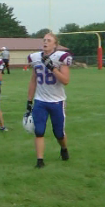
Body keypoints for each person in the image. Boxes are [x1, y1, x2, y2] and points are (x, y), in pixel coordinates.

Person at [26, 33, 72, 168]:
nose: (45, 42)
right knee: (39, 131)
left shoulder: (61, 58)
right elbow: (33, 80)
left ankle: (64, 148)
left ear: (55, 44)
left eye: (49, 40)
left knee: (58, 133)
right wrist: (29, 101)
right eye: (44, 40)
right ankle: (40, 160)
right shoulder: (35, 58)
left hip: (57, 101)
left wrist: (52, 68)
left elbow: (65, 81)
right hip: (40, 101)